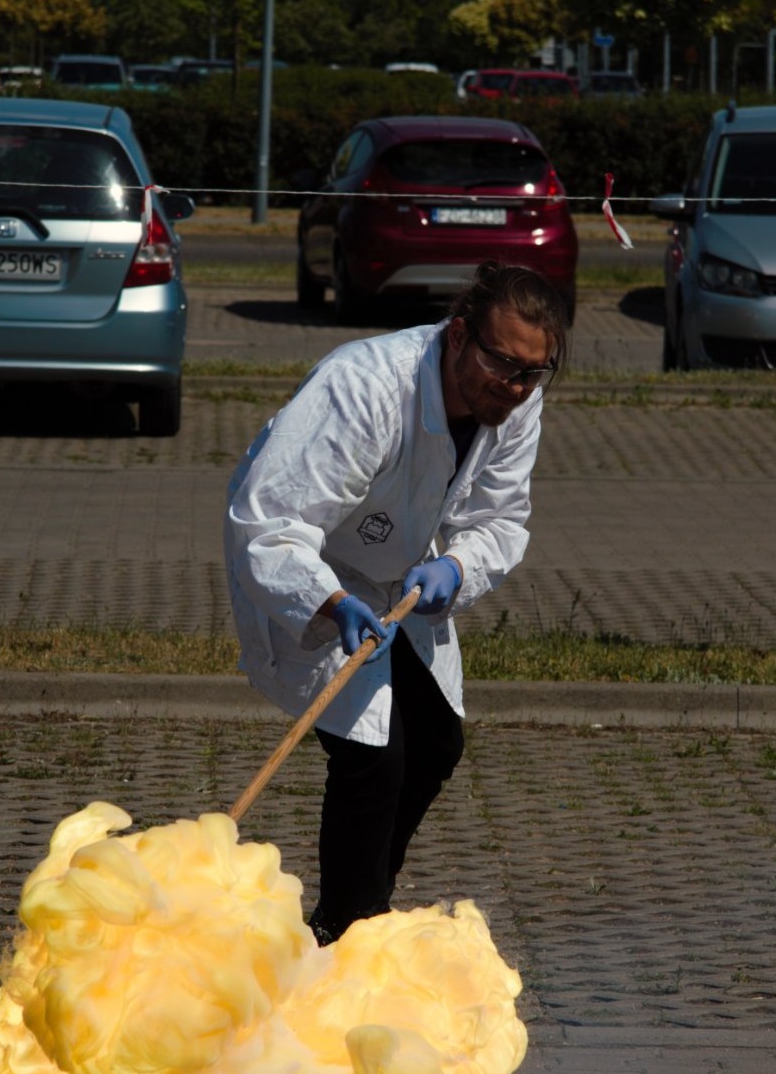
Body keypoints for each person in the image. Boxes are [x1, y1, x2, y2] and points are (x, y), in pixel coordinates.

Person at [224, 260, 568, 944]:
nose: (517, 384)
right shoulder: (363, 386)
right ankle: (346, 931)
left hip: (401, 576)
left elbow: (501, 518)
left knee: (436, 741)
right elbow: (265, 522)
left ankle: (363, 900)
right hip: (312, 569)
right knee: (373, 756)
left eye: (534, 371)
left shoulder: (518, 396)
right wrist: (327, 600)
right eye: (504, 363)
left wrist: (459, 563)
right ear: (460, 335)